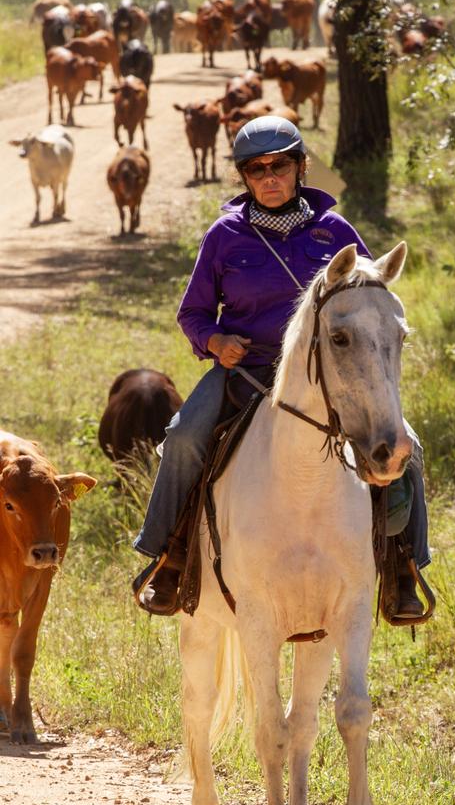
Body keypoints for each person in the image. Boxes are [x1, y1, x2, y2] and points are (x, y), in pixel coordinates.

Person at [133, 116, 431, 616]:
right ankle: (171, 554)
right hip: (246, 372)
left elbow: (370, 302)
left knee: (408, 446)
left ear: (299, 167)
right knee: (184, 437)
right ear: (243, 177)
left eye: (280, 166)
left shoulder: (334, 231)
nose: (269, 177)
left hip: (329, 379)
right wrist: (214, 340)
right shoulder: (225, 236)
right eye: (255, 169)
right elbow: (193, 313)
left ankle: (403, 567)